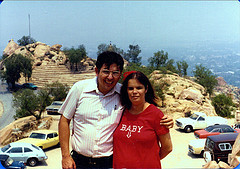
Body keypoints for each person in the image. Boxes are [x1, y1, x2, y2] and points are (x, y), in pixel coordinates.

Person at [58, 51, 173, 169]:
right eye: (106, 71)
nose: (110, 77)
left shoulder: (122, 93)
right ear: (97, 71)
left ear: (120, 74)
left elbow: (142, 108)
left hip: (108, 163)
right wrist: (65, 156)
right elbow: (64, 120)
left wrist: (165, 118)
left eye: (115, 73)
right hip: (79, 162)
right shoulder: (79, 89)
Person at [113, 71, 173, 168]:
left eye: (139, 88)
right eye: (130, 88)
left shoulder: (155, 114)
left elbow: (167, 147)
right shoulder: (122, 111)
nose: (134, 92)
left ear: (146, 89)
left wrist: (148, 161)